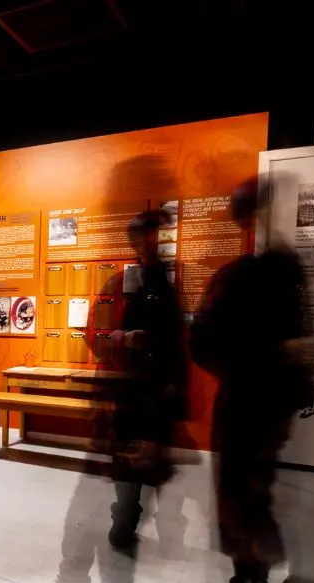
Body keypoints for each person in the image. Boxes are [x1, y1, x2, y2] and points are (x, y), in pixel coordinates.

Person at [190, 183, 314, 583]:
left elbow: (302, 336)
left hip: (267, 406)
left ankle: (255, 572)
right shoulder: (239, 277)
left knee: (255, 492)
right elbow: (203, 342)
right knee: (244, 494)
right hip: (247, 406)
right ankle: (250, 574)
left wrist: (293, 372)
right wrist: (275, 355)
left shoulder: (284, 272)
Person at [105, 209, 187, 555]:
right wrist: (124, 339)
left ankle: (151, 523)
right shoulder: (137, 281)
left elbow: (169, 339)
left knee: (150, 457)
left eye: (148, 236)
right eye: (140, 237)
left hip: (153, 386)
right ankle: (127, 516)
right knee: (132, 457)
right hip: (136, 386)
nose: (144, 243)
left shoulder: (159, 283)